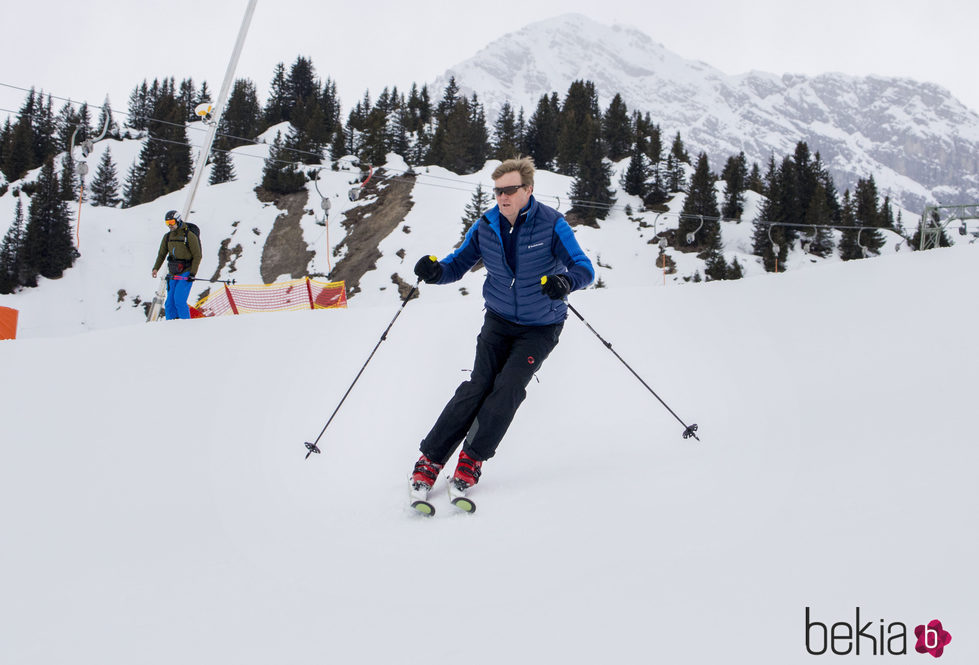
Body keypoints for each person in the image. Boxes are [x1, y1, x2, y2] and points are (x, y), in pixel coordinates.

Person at [410, 156, 595, 495]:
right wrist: (435, 272)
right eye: (497, 191)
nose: (502, 197)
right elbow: (457, 264)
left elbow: (584, 267)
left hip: (540, 326)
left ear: (528, 189)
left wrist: (566, 282)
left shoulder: (552, 224)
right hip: (498, 319)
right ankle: (430, 460)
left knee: (507, 388)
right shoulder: (486, 225)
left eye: (510, 190)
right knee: (477, 386)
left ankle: (471, 459)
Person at [151, 210, 202, 320]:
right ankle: (171, 326)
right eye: (167, 223)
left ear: (178, 220)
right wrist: (156, 268)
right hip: (173, 272)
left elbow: (197, 255)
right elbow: (161, 254)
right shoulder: (167, 237)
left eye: (172, 222)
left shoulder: (189, 235)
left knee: (179, 300)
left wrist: (193, 273)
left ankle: (185, 326)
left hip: (186, 272)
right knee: (169, 303)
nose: (170, 225)